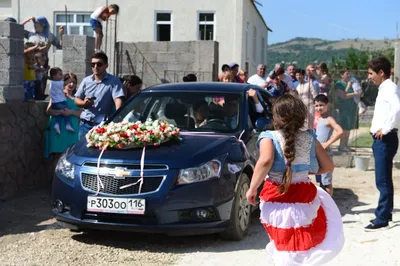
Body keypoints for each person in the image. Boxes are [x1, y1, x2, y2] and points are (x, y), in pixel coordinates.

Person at [246, 94, 344, 265]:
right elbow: (328, 166)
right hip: (303, 195)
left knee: (282, 240)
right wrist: (304, 173)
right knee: (301, 241)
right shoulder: (310, 138)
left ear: (276, 117)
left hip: (278, 194)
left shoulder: (269, 137)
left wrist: (253, 187)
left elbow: (265, 161)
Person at [365, 56, 400, 231]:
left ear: (381, 72)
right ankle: (386, 212)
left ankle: (382, 218)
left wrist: (384, 129)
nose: (369, 77)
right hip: (381, 139)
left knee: (382, 180)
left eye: (371, 73)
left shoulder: (389, 88)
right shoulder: (384, 88)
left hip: (384, 139)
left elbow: (397, 108)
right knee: (384, 178)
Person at [74, 52, 125, 140]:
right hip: (85, 124)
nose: (95, 67)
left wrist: (118, 118)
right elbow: (76, 99)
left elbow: (118, 100)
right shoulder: (86, 81)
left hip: (103, 125)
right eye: (93, 64)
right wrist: (84, 103)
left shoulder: (113, 81)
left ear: (106, 65)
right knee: (83, 151)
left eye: (99, 64)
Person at [44, 73, 81, 159]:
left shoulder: (78, 98)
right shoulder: (56, 95)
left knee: (71, 157)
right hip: (58, 130)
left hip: (73, 131)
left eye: (74, 82)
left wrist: (71, 112)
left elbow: (82, 114)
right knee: (57, 157)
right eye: (69, 82)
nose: (71, 84)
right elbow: (48, 111)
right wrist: (60, 112)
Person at [314, 94, 344, 196]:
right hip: (316, 154)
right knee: (320, 181)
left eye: (321, 105)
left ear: (328, 105)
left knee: (326, 183)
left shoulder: (329, 119)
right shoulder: (317, 119)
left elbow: (340, 131)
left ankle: (329, 206)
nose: (319, 108)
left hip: (325, 154)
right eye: (316, 105)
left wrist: (327, 143)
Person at [49, 67, 75, 134]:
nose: (62, 75)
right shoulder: (56, 83)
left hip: (56, 102)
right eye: (60, 74)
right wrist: (71, 78)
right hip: (59, 101)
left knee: (60, 114)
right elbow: (65, 83)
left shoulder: (53, 83)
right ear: (54, 76)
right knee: (66, 110)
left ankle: (57, 124)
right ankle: (68, 124)